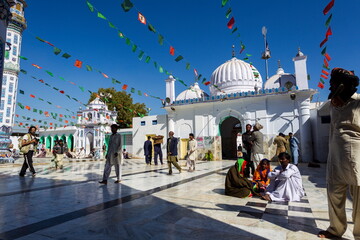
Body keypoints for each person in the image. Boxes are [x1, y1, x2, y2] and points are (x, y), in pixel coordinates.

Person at [318, 68, 360, 240]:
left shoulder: (358, 102)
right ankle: (336, 229)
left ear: (343, 85)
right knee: (334, 192)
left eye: (334, 84)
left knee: (358, 196)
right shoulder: (334, 104)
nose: (331, 87)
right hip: (335, 155)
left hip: (356, 156)